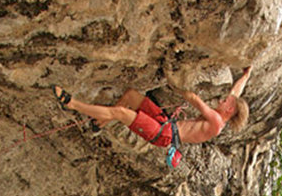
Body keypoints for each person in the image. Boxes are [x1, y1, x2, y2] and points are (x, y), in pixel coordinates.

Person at [52, 66, 252, 162]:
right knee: (131, 96)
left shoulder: (217, 121)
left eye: (226, 102)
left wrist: (175, 85)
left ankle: (72, 104)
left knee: (121, 112)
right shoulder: (223, 114)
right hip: (165, 123)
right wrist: (246, 75)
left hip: (163, 134)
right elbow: (236, 94)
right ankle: (100, 123)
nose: (223, 99)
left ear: (229, 110)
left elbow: (194, 100)